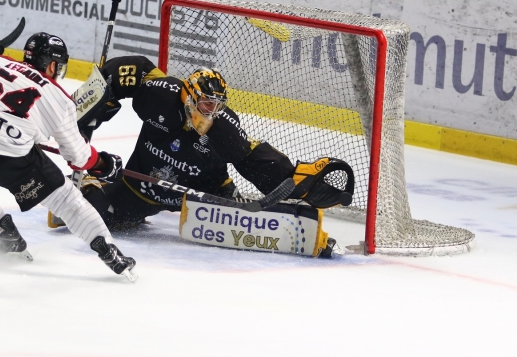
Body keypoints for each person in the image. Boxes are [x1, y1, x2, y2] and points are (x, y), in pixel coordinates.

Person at [78, 56, 354, 251]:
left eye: (217, 106)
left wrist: (298, 183)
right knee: (93, 215)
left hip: (202, 198)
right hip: (141, 187)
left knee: (246, 227)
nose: (211, 113)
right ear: (188, 96)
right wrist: (97, 98)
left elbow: (254, 161)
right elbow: (130, 71)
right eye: (206, 104)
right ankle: (93, 184)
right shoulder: (158, 96)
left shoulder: (224, 130)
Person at [0, 32, 137, 280]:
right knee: (65, 198)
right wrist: (103, 164)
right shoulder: (59, 98)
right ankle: (109, 252)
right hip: (10, 157)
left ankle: (7, 237)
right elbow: (78, 156)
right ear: (53, 65)